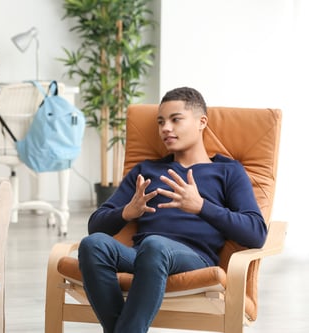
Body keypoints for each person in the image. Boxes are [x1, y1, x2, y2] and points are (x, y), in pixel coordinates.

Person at [78, 87, 267, 333]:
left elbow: (256, 232)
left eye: (175, 119)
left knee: (156, 245)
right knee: (92, 245)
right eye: (160, 122)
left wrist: (201, 206)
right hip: (142, 255)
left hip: (194, 259)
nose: (165, 128)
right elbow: (95, 226)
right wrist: (127, 212)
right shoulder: (146, 171)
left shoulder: (228, 171)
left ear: (202, 122)